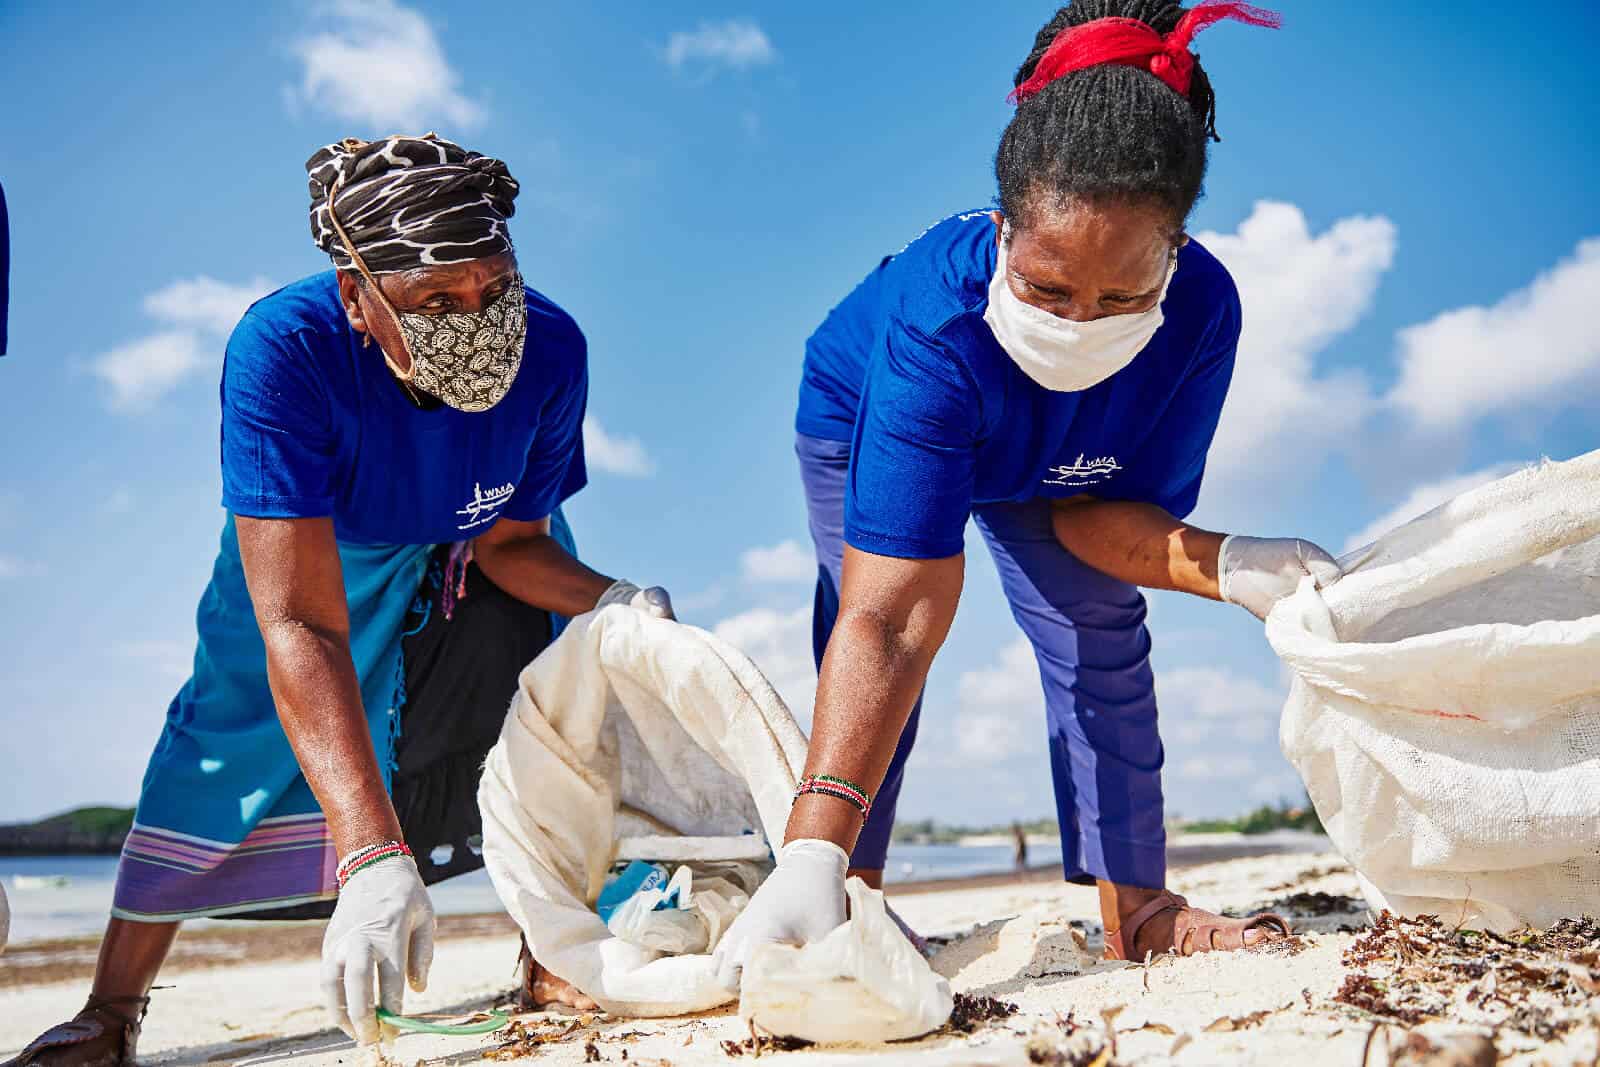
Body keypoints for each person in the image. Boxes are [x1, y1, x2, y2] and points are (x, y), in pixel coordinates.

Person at [5, 134, 670, 1067]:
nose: (474, 317)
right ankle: (112, 1009)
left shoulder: (552, 349)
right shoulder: (284, 350)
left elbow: (513, 541)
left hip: (475, 559)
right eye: (434, 302)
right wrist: (368, 852)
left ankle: (553, 947)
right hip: (317, 564)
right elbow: (298, 620)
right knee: (220, 739)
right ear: (358, 296)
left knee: (561, 692)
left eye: (490, 285)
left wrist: (620, 602)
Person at [715, 0, 1338, 989]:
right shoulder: (933, 319)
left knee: (1097, 626)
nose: (1080, 321)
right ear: (1004, 226)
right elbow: (892, 615)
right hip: (873, 405)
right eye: (1049, 289)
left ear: (1175, 246)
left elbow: (1105, 526)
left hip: (1065, 465)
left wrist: (1236, 562)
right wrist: (810, 848)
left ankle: (1140, 906)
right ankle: (844, 886)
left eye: (1122, 295)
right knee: (874, 639)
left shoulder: (1203, 313)